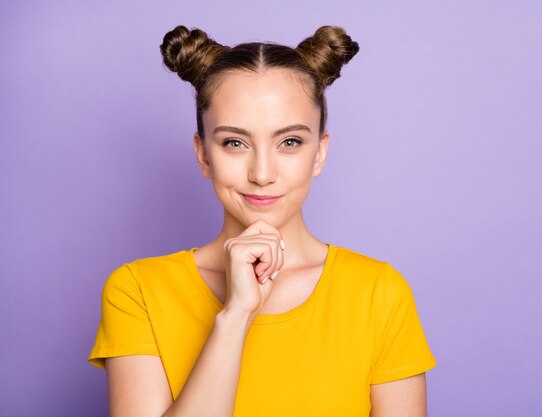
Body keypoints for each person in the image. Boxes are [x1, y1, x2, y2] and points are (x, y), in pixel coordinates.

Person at [87, 24, 437, 417]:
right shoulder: (138, 292)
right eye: (235, 143)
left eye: (289, 142)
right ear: (203, 154)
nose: (262, 173)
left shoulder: (379, 294)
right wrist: (235, 316)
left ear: (319, 152)